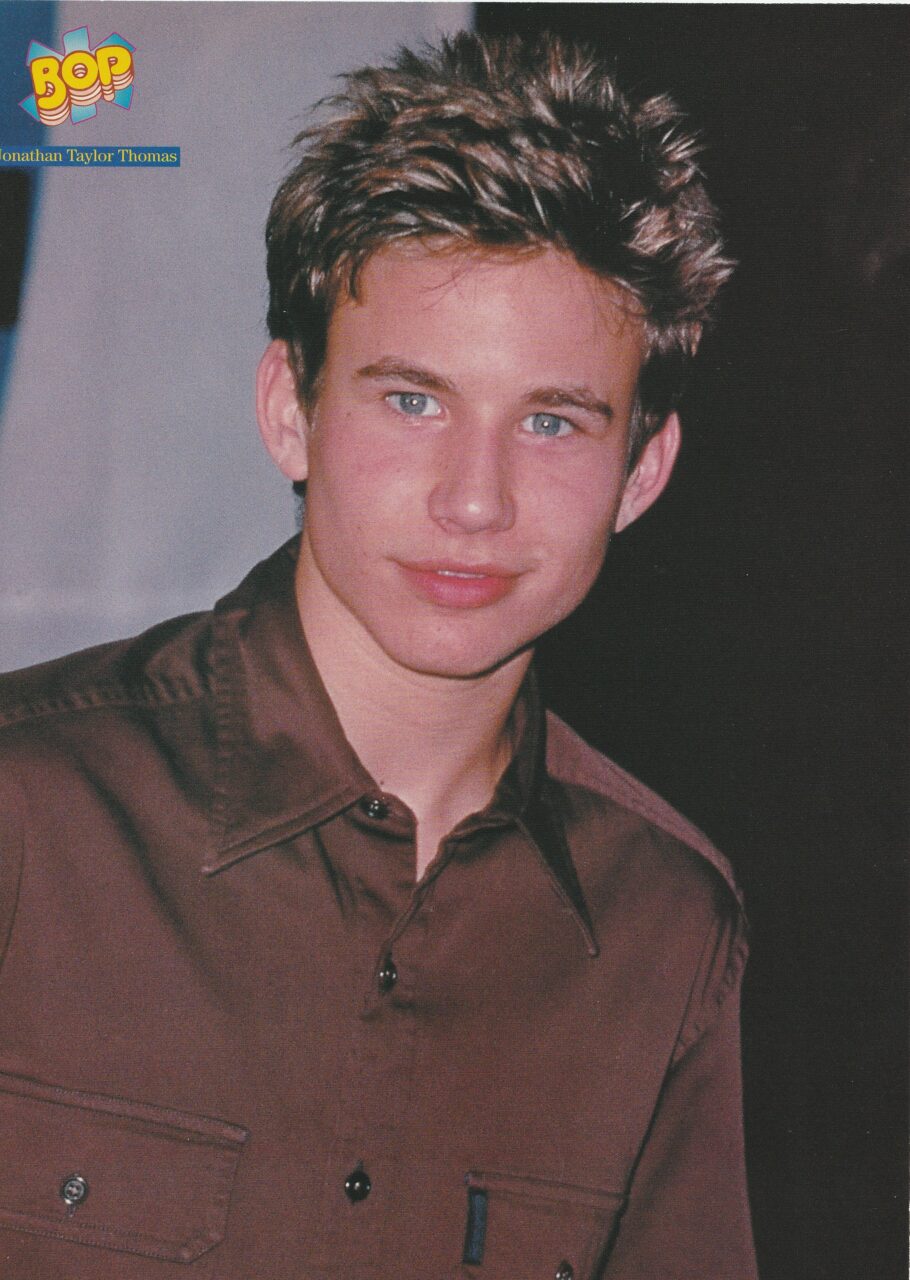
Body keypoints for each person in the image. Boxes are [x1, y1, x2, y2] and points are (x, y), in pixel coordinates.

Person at [0, 32, 756, 1280]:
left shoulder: (665, 927)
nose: (475, 500)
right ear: (289, 408)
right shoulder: (29, 809)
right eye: (413, 400)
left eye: (552, 421)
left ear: (642, 471)